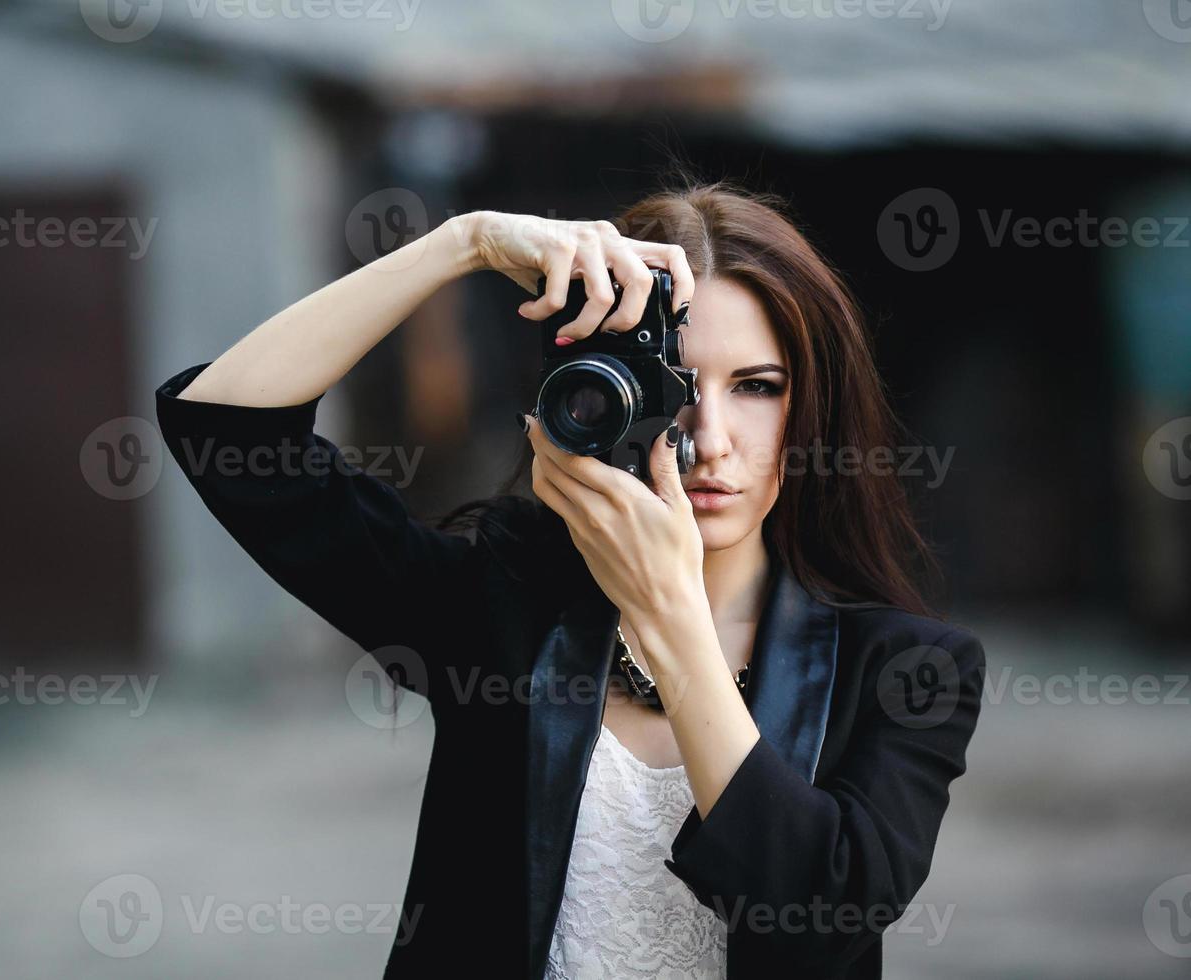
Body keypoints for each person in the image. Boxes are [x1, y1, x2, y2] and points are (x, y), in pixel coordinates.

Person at [154, 180, 987, 979]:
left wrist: (670, 612)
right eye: (678, 385)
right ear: (596, 397)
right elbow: (224, 430)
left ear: (815, 412)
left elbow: (819, 919)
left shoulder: (909, 669)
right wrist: (463, 242)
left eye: (759, 388)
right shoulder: (505, 602)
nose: (713, 439)